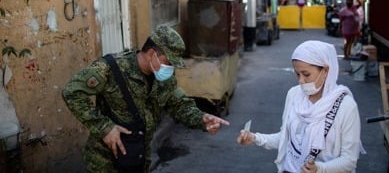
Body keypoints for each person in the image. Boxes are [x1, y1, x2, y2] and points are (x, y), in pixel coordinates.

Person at [62, 25, 229, 173]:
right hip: (105, 161)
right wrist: (104, 127)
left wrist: (201, 118)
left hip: (139, 159)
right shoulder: (110, 68)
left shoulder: (164, 80)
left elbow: (179, 105)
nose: (170, 67)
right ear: (151, 54)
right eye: (168, 61)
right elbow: (72, 92)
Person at [237, 40, 363, 173]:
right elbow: (285, 137)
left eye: (306, 74)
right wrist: (255, 138)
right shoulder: (294, 95)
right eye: (297, 74)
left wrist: (320, 169)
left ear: (325, 70)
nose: (301, 81)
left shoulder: (346, 106)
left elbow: (349, 160)